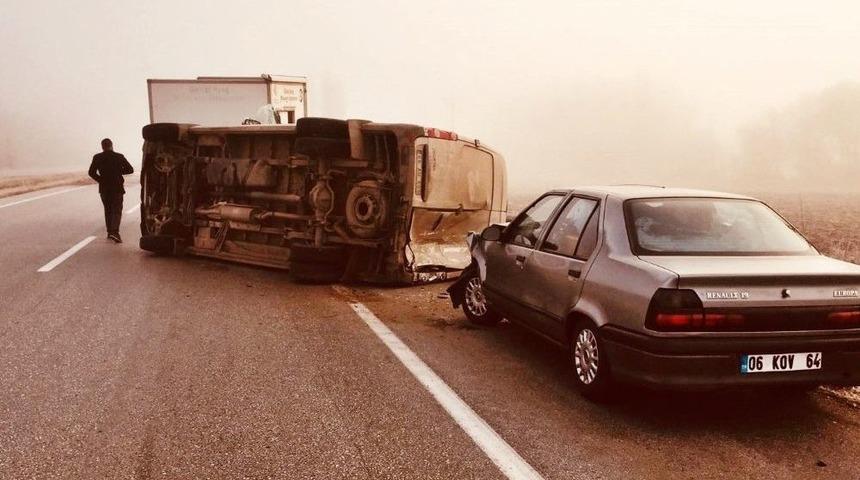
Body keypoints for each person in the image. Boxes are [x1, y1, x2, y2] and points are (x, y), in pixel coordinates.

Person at [88, 138, 134, 243]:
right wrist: (118, 172)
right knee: (117, 210)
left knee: (108, 210)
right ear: (112, 145)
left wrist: (101, 180)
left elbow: (91, 172)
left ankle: (109, 232)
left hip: (104, 188)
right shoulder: (119, 157)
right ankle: (115, 232)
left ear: (102, 146)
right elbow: (130, 169)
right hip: (117, 187)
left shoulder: (97, 157)